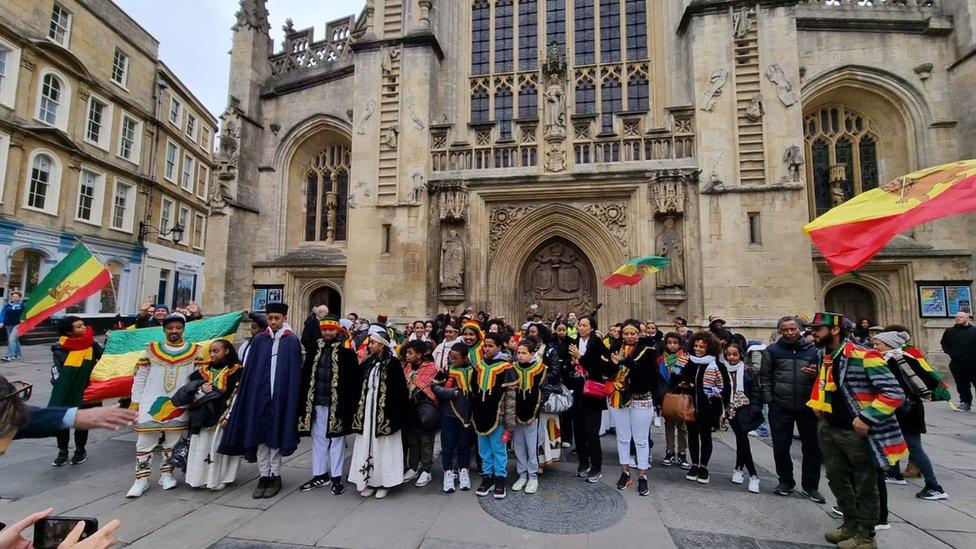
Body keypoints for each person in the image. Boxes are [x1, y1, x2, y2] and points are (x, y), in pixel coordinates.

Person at [806, 312, 907, 549]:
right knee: (836, 478)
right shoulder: (824, 354)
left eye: (818, 329)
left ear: (834, 330)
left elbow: (894, 393)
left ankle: (866, 534)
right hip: (830, 426)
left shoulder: (865, 355)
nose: (813, 333)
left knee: (864, 482)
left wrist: (867, 418)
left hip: (856, 430)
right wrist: (819, 405)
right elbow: (827, 383)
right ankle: (850, 524)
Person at [220, 302, 303, 499]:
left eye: (277, 318)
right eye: (270, 318)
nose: (273, 322)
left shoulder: (291, 341)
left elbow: (293, 373)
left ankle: (275, 475)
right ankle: (263, 475)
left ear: (284, 319)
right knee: (260, 438)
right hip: (260, 397)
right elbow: (252, 372)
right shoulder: (259, 341)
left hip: (280, 397)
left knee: (275, 437)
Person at [126, 313, 204, 498]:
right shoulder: (151, 349)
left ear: (183, 329)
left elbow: (198, 380)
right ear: (164, 330)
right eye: (170, 328)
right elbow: (140, 377)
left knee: (173, 442)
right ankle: (141, 479)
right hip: (150, 401)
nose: (174, 331)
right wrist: (135, 402)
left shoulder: (196, 351)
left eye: (178, 327)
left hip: (179, 403)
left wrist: (196, 402)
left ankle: (166, 475)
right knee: (145, 442)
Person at [871, 330, 947, 501]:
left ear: (889, 345)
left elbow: (930, 381)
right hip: (904, 408)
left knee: (914, 447)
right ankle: (894, 473)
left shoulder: (896, 360)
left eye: (878, 344)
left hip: (907, 409)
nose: (874, 347)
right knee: (894, 440)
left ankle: (934, 486)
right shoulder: (899, 358)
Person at [761, 316, 825, 503]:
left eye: (793, 329)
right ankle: (785, 481)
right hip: (781, 405)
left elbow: (826, 377)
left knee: (812, 448)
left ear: (800, 329)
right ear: (780, 331)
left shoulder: (815, 351)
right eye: (785, 330)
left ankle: (811, 486)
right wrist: (769, 400)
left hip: (808, 406)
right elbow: (765, 377)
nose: (789, 333)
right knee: (781, 446)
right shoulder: (773, 350)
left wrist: (816, 374)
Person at [297, 315, 362, 495]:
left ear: (338, 330)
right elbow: (306, 376)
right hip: (317, 402)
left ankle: (336, 476)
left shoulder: (347, 352)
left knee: (336, 440)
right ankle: (320, 474)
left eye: (330, 329)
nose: (327, 332)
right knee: (319, 439)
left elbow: (353, 381)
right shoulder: (314, 350)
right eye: (324, 329)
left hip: (337, 404)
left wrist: (352, 405)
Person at [171, 339, 243, 491]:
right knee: (201, 448)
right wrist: (201, 389)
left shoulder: (238, 371)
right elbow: (190, 395)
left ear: (227, 351)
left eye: (216, 351)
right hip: (203, 419)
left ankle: (221, 478)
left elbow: (240, 396)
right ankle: (198, 478)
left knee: (220, 450)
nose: (212, 354)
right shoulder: (201, 372)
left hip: (224, 417)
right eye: (210, 351)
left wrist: (230, 416)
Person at [347, 328, 410, 499]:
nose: (369, 345)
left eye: (372, 342)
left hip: (386, 414)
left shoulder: (393, 364)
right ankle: (367, 480)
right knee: (367, 443)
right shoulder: (368, 362)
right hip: (367, 411)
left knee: (384, 446)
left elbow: (400, 392)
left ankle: (383, 482)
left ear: (382, 345)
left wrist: (397, 416)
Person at [606, 321, 660, 495]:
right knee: (622, 437)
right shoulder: (614, 349)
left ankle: (643, 476)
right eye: (626, 334)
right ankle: (625, 472)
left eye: (633, 334)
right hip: (618, 398)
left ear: (639, 334)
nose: (629, 337)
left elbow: (644, 372)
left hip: (640, 399)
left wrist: (624, 362)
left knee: (641, 439)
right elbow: (606, 369)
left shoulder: (648, 351)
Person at [466, 321, 517, 500]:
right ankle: (487, 478)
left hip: (498, 417)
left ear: (499, 347)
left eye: (490, 346)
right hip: (480, 416)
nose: (486, 349)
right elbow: (473, 393)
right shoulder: (478, 367)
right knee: (484, 451)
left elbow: (510, 399)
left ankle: (500, 479)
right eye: (485, 346)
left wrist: (509, 423)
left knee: (498, 450)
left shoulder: (506, 368)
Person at [48, 316, 104, 467]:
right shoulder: (59, 347)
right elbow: (57, 369)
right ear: (69, 332)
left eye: (83, 325)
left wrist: (112, 340)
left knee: (81, 422)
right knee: (63, 422)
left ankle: (80, 450)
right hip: (65, 390)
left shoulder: (92, 344)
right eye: (78, 326)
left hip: (86, 389)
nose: (83, 328)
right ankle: (63, 451)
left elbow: (107, 357)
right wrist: (60, 382)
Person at [681, 332, 731, 485]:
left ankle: (704, 466)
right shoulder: (689, 363)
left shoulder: (718, 366)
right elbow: (678, 379)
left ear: (709, 348)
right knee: (692, 435)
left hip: (708, 408)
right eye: (695, 346)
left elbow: (725, 389)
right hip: (691, 406)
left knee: (706, 436)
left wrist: (720, 404)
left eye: (702, 346)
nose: (698, 349)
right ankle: (694, 464)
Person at [433, 341, 475, 493]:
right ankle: (448, 473)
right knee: (448, 446)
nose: (452, 360)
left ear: (465, 358)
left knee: (464, 446)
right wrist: (450, 393)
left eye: (456, 358)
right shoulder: (446, 370)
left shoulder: (473, 370)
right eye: (451, 357)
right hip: (449, 413)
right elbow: (434, 386)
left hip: (467, 416)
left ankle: (464, 471)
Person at [725, 343, 763, 494]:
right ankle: (738, 469)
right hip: (731, 410)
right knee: (740, 439)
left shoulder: (748, 372)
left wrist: (753, 411)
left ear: (740, 355)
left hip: (745, 410)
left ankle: (754, 475)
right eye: (729, 354)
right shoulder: (722, 370)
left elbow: (756, 393)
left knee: (742, 440)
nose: (732, 357)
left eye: (735, 354)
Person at [400, 339, 439, 488]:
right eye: (407, 352)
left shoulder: (430, 367)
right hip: (409, 409)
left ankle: (426, 469)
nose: (407, 355)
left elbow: (429, 388)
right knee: (412, 441)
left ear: (420, 355)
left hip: (424, 409)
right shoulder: (407, 367)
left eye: (410, 353)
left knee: (426, 441)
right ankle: (413, 467)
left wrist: (414, 380)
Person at [511, 337, 545, 494]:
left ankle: (533, 476)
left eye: (524, 353)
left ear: (532, 354)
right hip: (516, 413)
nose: (520, 355)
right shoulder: (513, 368)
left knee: (532, 447)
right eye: (518, 352)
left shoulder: (541, 369)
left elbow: (543, 391)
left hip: (532, 413)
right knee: (518, 446)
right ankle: (522, 474)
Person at [658, 332, 691, 469]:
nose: (672, 345)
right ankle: (669, 451)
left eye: (675, 343)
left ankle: (682, 453)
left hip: (681, 396)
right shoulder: (661, 360)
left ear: (680, 344)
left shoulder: (685, 358)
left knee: (682, 427)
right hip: (667, 396)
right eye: (669, 343)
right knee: (669, 426)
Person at [940, 311, 976, 412]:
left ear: (967, 318)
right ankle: (965, 403)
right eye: (956, 317)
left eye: (960, 316)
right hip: (957, 362)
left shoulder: (974, 330)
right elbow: (944, 343)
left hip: (973, 362)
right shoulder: (949, 331)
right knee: (961, 384)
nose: (958, 318)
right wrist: (951, 352)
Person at [1, 290, 24, 361]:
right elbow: (2, 314)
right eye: (13, 297)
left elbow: (26, 313)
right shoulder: (7, 306)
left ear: (20, 298)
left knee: (11, 339)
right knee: (14, 339)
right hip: (8, 324)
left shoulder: (22, 305)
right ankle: (18, 354)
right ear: (11, 298)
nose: (15, 298)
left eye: (17, 297)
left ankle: (9, 356)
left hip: (17, 324)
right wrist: (1, 322)